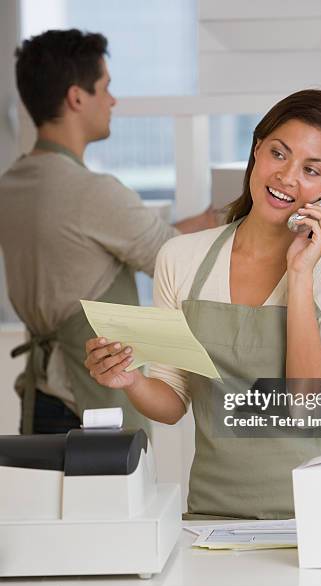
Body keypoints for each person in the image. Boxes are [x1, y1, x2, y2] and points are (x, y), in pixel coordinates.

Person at [85, 89, 321, 520]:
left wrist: (300, 275)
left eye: (311, 170)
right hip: (209, 519)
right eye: (279, 153)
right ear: (256, 149)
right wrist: (131, 379)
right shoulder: (181, 259)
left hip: (316, 522)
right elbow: (172, 402)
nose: (287, 177)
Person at [0, 29, 216, 435]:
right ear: (77, 97)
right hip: (92, 408)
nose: (113, 100)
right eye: (106, 88)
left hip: (39, 401)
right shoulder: (91, 193)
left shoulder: (12, 187)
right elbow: (173, 259)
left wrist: (197, 223)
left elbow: (96, 243)